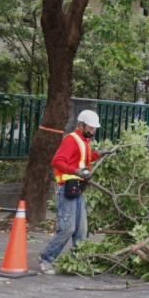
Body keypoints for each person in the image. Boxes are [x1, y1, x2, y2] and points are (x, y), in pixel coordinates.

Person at [39, 109, 105, 274]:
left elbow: (83, 159)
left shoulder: (84, 141)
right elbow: (57, 161)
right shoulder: (72, 140)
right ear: (81, 125)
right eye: (90, 128)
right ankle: (46, 259)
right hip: (67, 188)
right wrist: (75, 172)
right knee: (67, 228)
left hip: (77, 190)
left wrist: (98, 155)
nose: (93, 131)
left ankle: (78, 262)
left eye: (95, 128)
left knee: (81, 229)